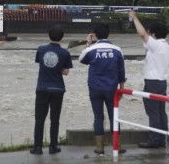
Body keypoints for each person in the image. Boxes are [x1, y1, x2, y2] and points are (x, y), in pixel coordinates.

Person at [78, 23, 126, 155]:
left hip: (95, 88)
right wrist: (121, 89)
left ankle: (99, 147)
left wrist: (88, 44)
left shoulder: (91, 49)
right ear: (108, 34)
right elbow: (121, 71)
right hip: (112, 88)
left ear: (95, 35)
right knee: (113, 116)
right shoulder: (117, 50)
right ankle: (118, 145)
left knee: (98, 117)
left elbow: (81, 59)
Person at [129, 10, 169, 148]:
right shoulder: (165, 46)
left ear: (154, 34)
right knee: (160, 112)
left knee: (153, 112)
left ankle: (154, 140)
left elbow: (142, 34)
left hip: (152, 82)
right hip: (162, 82)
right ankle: (163, 138)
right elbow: (144, 37)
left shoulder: (156, 45)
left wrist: (134, 18)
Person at [30, 27, 73, 155]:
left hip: (42, 88)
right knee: (55, 119)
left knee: (39, 119)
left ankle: (37, 147)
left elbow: (41, 64)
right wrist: (58, 68)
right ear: (62, 37)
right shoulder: (65, 53)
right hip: (58, 89)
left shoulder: (41, 49)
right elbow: (65, 71)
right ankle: (53, 146)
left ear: (48, 36)